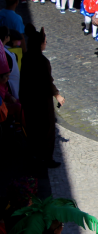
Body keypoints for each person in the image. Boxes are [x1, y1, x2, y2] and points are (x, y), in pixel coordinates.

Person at [20, 26, 66, 168]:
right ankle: (46, 158)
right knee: (46, 129)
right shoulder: (43, 61)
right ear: (40, 43)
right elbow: (48, 81)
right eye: (45, 41)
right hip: (41, 101)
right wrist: (57, 95)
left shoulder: (26, 57)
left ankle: (35, 156)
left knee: (33, 128)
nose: (46, 43)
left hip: (29, 99)